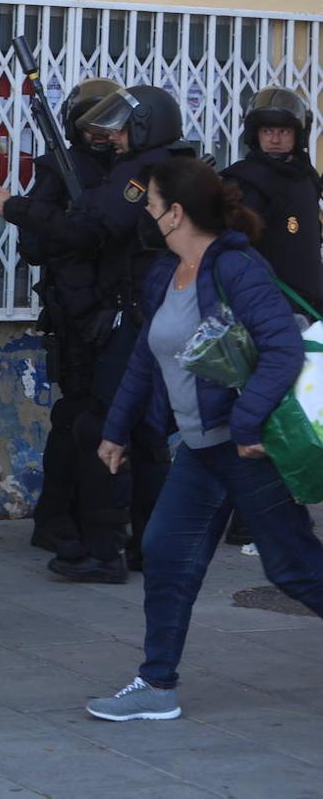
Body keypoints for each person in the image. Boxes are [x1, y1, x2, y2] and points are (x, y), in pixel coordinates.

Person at [87, 156, 323, 722]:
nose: (144, 213)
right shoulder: (167, 274)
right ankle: (156, 685)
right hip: (199, 449)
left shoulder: (236, 268)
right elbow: (147, 355)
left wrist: (247, 425)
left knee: (291, 567)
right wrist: (116, 430)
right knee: (165, 553)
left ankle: (156, 681)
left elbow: (282, 349)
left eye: (151, 205)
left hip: (245, 448)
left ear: (176, 213)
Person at [0, 86, 190, 582]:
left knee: (107, 426)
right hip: (129, 313)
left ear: (144, 127)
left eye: (120, 128)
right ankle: (144, 546)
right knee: (140, 429)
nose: (111, 138)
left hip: (132, 317)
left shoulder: (142, 173)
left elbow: (91, 227)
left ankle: (107, 549)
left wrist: (15, 207)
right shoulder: (159, 165)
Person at [0, 77, 122, 560]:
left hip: (111, 305)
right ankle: (57, 519)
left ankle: (88, 518)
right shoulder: (62, 166)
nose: (99, 132)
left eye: (108, 123)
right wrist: (68, 229)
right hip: (75, 310)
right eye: (90, 123)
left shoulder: (127, 170)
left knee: (102, 415)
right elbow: (33, 245)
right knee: (78, 414)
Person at [218, 87, 322, 548]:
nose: (276, 139)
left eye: (283, 131)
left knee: (295, 413)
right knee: (262, 412)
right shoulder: (244, 181)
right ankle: (251, 516)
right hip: (265, 311)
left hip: (306, 309)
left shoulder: (306, 175)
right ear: (253, 134)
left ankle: (282, 504)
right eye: (268, 131)